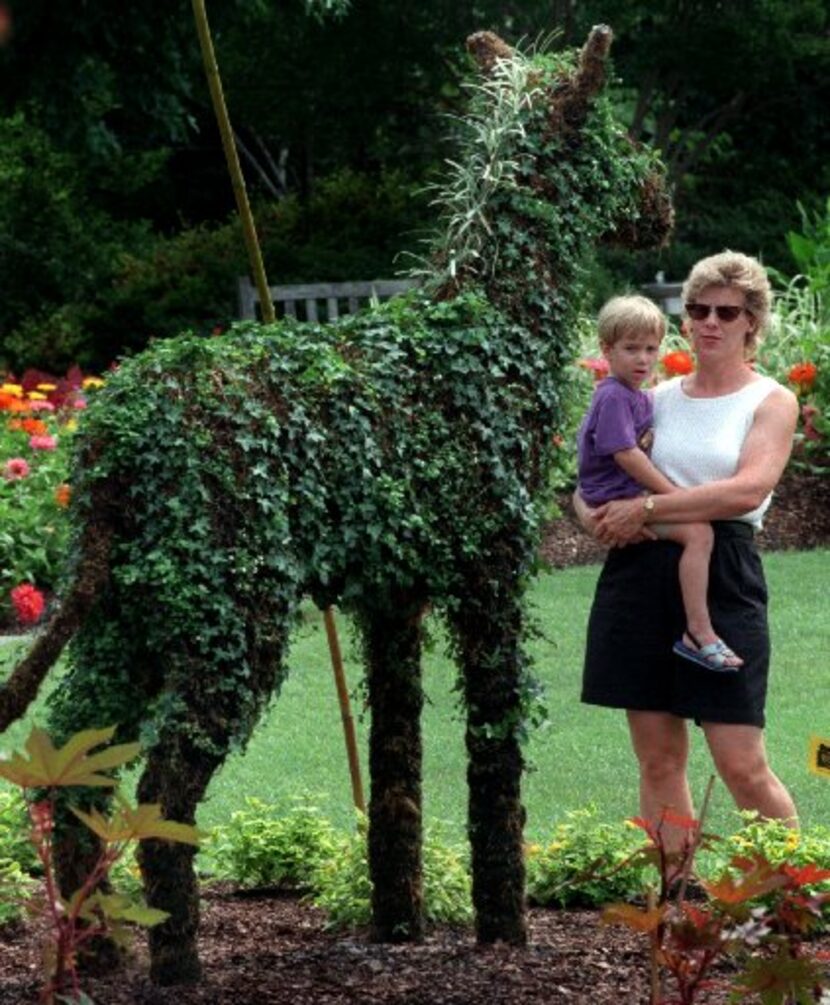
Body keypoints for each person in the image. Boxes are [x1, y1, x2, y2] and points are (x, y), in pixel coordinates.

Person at [578, 251, 799, 838]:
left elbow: (746, 490)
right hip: (640, 572)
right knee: (658, 760)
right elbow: (593, 474)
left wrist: (647, 507)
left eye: (727, 312)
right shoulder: (653, 396)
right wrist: (594, 516)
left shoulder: (770, 400)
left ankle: (796, 895)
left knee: (741, 763)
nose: (710, 322)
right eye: (698, 309)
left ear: (753, 321)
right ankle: (676, 900)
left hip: (722, 573)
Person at [577, 295, 742, 672]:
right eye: (631, 349)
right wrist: (675, 496)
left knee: (696, 533)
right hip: (614, 498)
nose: (643, 359)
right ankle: (699, 631)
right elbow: (627, 455)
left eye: (651, 349)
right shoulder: (616, 396)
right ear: (606, 349)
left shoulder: (633, 395)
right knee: (698, 533)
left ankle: (697, 630)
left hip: (621, 495)